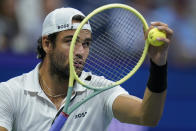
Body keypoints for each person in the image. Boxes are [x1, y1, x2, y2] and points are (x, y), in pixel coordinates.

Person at [0, 7, 173, 131]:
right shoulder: (10, 92)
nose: (80, 52)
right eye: (70, 41)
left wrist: (159, 64)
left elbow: (147, 116)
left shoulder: (100, 90)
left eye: (86, 44)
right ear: (47, 44)